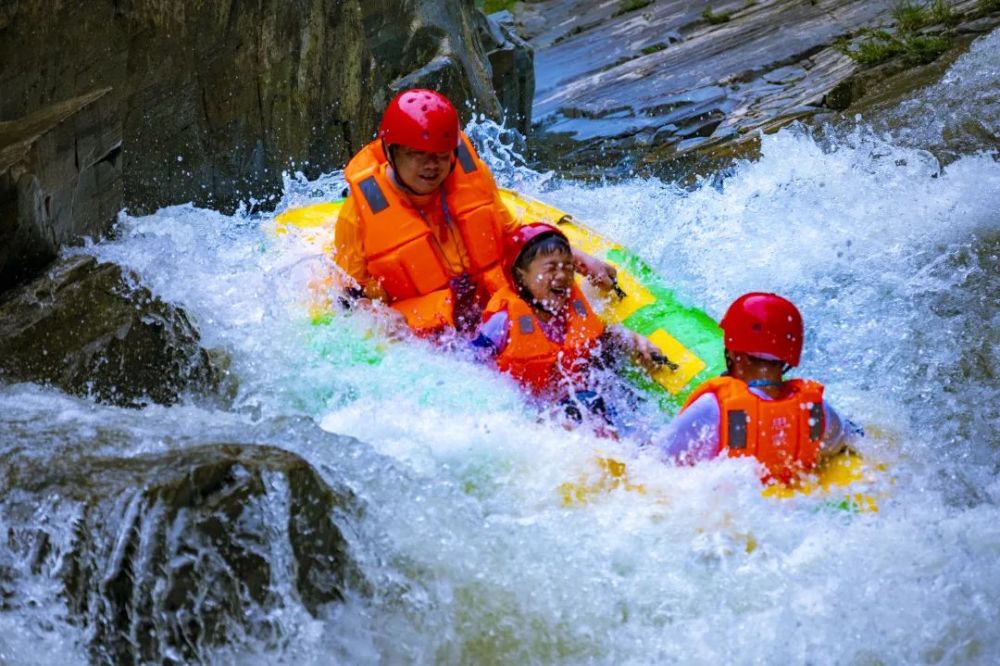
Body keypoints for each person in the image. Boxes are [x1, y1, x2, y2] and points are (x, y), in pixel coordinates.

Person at [333, 88, 617, 336]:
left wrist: (577, 258)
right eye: (418, 154)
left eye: (442, 154)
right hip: (426, 332)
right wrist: (374, 314)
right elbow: (346, 296)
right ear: (391, 151)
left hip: (495, 309)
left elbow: (510, 236)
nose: (432, 165)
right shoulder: (358, 214)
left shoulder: (473, 177)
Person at [473, 222, 666, 432]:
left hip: (577, 399)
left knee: (611, 397)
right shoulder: (503, 324)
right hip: (531, 415)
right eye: (551, 268)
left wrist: (632, 339)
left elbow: (601, 339)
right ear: (521, 276)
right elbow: (471, 370)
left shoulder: (573, 310)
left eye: (567, 267)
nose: (563, 276)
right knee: (584, 404)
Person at [657, 292, 861, 484]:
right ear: (789, 357)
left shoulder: (713, 408)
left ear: (736, 354)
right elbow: (857, 439)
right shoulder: (816, 411)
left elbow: (654, 462)